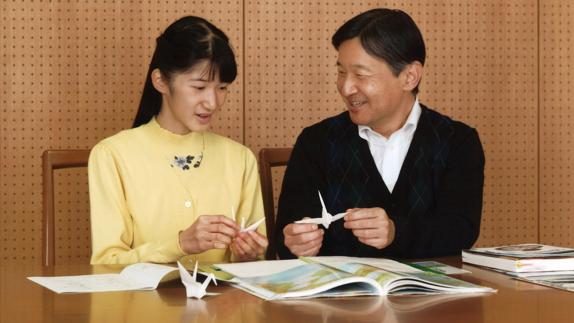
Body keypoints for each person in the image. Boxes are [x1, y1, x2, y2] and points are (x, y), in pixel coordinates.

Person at [275, 8, 485, 259]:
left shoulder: (457, 141)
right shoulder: (316, 142)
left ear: (409, 77)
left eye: (360, 74)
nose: (345, 87)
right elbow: (285, 236)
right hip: (339, 296)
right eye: (341, 72)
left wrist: (396, 232)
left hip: (430, 295)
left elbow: (460, 232)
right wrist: (294, 242)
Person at [89, 16, 267, 265]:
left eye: (222, 88)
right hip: (140, 304)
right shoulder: (112, 155)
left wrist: (248, 254)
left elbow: (254, 263)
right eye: (199, 87)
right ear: (160, 81)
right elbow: (106, 263)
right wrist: (180, 244)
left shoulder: (240, 158)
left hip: (224, 303)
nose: (213, 102)